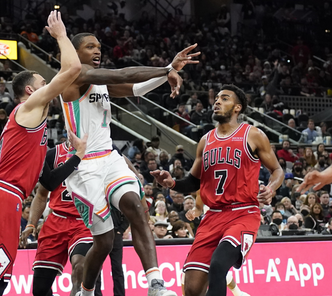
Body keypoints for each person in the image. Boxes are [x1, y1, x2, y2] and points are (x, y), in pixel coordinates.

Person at [60, 32, 199, 296]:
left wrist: (163, 75)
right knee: (104, 241)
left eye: (99, 47)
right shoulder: (74, 78)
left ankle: (156, 284)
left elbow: (135, 88)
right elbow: (123, 75)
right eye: (90, 47)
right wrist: (167, 67)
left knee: (136, 206)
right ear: (76, 54)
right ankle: (87, 291)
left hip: (108, 158)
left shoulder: (98, 83)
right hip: (84, 168)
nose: (97, 51)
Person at [0, 11, 82, 296]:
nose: (50, 89)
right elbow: (71, 72)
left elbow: (48, 182)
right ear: (31, 91)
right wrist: (61, 36)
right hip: (2, 196)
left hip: (5, 196)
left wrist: (77, 156)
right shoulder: (28, 108)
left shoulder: (34, 131)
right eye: (45, 85)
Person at [151, 84, 284, 296]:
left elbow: (277, 170)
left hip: (243, 213)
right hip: (211, 217)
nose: (217, 101)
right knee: (193, 289)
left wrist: (271, 187)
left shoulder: (253, 135)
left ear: (237, 107)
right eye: (216, 99)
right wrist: (172, 183)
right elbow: (194, 182)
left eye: (224, 98)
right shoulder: (205, 140)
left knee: (219, 265)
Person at [20, 137, 88, 296]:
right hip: (56, 220)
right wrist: (31, 223)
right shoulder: (53, 154)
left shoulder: (98, 153)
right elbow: (42, 194)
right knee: (40, 289)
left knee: (80, 268)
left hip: (85, 222)